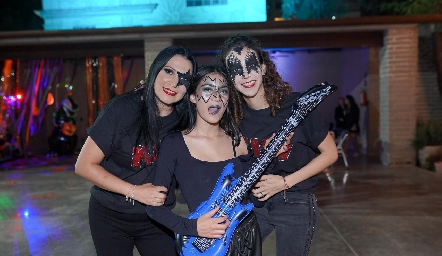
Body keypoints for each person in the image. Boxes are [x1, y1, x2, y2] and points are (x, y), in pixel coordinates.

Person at [217, 34, 338, 256]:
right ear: (228, 77)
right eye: (236, 69)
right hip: (254, 206)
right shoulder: (233, 118)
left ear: (263, 68)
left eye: (251, 65)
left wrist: (284, 182)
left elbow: (330, 153)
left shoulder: (296, 106)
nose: (245, 74)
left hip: (296, 204)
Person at [75, 45, 197, 256]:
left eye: (184, 78)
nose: (174, 82)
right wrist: (135, 191)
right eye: (169, 71)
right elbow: (84, 165)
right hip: (110, 216)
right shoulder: (122, 109)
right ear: (155, 70)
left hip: (156, 219)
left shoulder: (185, 121)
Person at [146, 65, 265, 255]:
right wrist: (192, 228)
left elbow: (254, 199)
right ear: (193, 97)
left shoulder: (238, 140)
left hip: (247, 238)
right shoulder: (175, 143)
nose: (217, 97)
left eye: (223, 91)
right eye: (208, 89)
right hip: (205, 246)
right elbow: (153, 209)